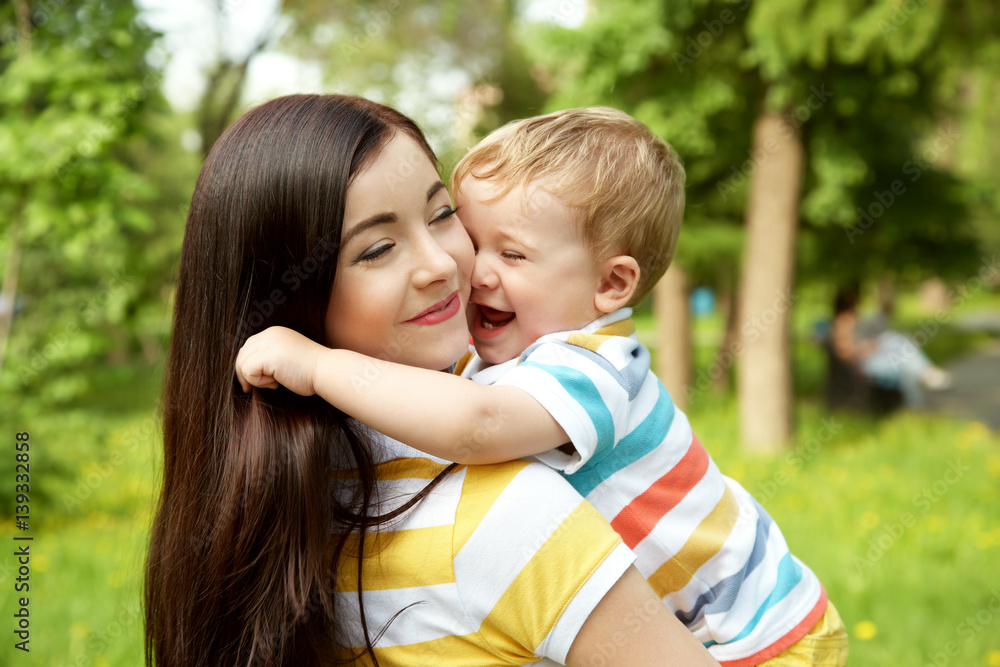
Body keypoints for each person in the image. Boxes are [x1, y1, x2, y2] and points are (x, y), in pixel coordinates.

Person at [236, 107, 848, 665]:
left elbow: (475, 425)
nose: (466, 270)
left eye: (515, 256)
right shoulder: (512, 353)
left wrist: (317, 366)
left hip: (770, 637)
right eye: (476, 239)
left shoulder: (594, 367)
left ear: (610, 286)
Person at [146, 94, 719, 667]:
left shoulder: (500, 509)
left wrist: (319, 366)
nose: (444, 265)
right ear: (290, 294)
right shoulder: (317, 499)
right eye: (377, 248)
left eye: (442, 216)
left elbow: (477, 420)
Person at [832, 283, 951, 408]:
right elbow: (845, 354)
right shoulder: (844, 323)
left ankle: (920, 391)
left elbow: (853, 346)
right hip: (863, 367)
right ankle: (924, 382)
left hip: (869, 360)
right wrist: (863, 350)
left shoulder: (849, 321)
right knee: (903, 363)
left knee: (900, 345)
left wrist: (869, 346)